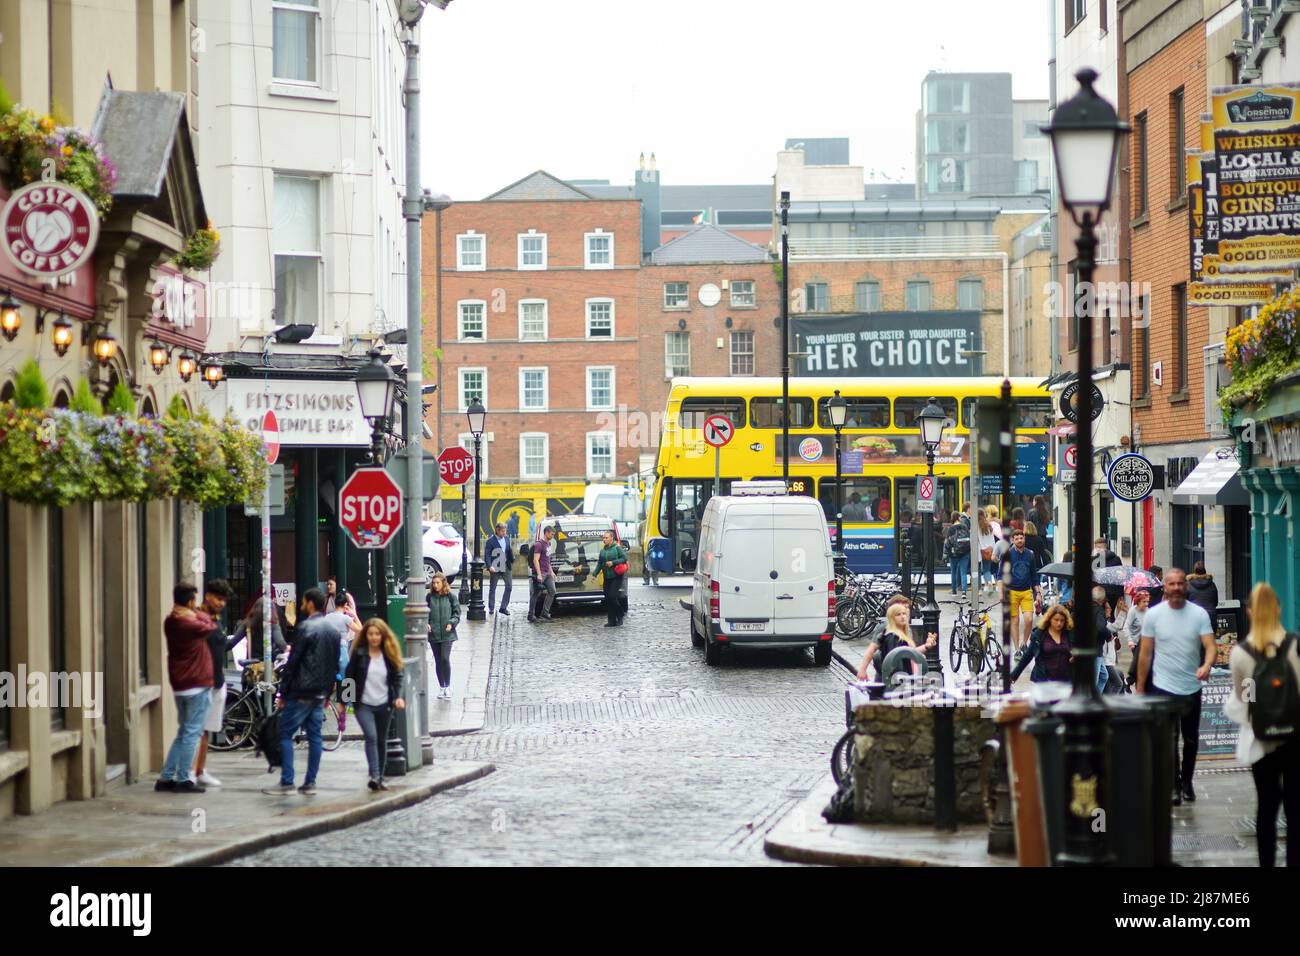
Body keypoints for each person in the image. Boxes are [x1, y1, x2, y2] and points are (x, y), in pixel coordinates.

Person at [1226, 583, 1300, 867]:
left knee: (1266, 808)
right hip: (1295, 738)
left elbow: (1246, 701)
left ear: (1249, 612)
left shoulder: (1241, 654)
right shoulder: (1295, 645)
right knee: (1295, 809)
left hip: (1262, 739)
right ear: (1278, 609)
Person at [1137, 568, 1217, 806]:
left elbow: (1210, 646)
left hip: (1191, 686)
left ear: (1186, 586)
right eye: (1171, 584)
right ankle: (1173, 784)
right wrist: (1140, 688)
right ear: (1165, 587)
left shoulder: (1199, 614)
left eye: (1180, 583)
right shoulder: (1154, 615)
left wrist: (1207, 665)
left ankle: (1188, 781)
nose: (1176, 588)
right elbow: (1145, 654)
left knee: (1191, 739)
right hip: (1163, 686)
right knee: (1169, 739)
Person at [265, 588, 337, 796]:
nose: (302, 605)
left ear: (310, 603)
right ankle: (310, 782)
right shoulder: (332, 631)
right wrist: (327, 692)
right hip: (319, 693)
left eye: (304, 602)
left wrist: (283, 693)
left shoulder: (305, 627)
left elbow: (293, 662)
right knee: (315, 737)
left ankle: (287, 781)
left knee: (285, 733)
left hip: (301, 691)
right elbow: (333, 665)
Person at [157, 583, 218, 793]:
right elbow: (211, 625)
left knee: (183, 732)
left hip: (180, 685)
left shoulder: (170, 620)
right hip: (197, 684)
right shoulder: (190, 623)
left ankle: (166, 777)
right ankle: (183, 778)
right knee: (192, 733)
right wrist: (196, 612)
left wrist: (190, 611)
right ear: (191, 602)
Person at [344, 618, 405, 791]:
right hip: (363, 704)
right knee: (371, 736)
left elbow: (397, 677)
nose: (374, 637)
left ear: (383, 635)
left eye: (377, 634)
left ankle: (379, 776)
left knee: (381, 740)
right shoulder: (359, 654)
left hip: (384, 704)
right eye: (370, 634)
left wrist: (398, 697)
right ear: (366, 635)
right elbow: (349, 676)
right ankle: (375, 776)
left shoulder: (388, 654)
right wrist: (343, 702)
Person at [193, 579, 235, 788]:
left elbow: (222, 647)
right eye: (218, 598)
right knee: (197, 730)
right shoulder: (198, 620)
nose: (221, 603)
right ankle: (191, 771)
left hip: (217, 682)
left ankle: (200, 770)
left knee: (206, 730)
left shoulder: (214, 620)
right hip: (203, 683)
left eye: (224, 600)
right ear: (208, 595)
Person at [855, 601, 937, 683]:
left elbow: (909, 652)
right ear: (892, 617)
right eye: (898, 614)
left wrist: (926, 646)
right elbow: (896, 660)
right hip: (897, 681)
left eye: (904, 613)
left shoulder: (905, 632)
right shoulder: (892, 636)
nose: (903, 616)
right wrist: (862, 670)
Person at [1011, 604, 1074, 684]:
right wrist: (1013, 676)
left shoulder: (1069, 634)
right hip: (1043, 681)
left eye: (1062, 620)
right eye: (1056, 620)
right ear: (1049, 619)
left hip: (1065, 681)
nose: (1059, 623)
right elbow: (1027, 656)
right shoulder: (1039, 634)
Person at [1003, 529, 1041, 656]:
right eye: (1017, 538)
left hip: (1026, 591)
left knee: (1029, 620)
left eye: (1021, 538)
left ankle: (1024, 643)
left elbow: (1034, 575)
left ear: (1024, 538)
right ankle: (1017, 649)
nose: (1020, 540)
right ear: (1013, 540)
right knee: (1014, 621)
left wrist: (1038, 593)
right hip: (1012, 592)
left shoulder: (1030, 554)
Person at [427, 572, 460, 699]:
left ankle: (448, 686)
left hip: (447, 634)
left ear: (443, 583)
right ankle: (442, 687)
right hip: (434, 633)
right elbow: (425, 613)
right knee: (437, 660)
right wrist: (427, 623)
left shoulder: (451, 596)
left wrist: (451, 623)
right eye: (434, 583)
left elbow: (457, 613)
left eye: (438, 583)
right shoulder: (429, 597)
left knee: (444, 658)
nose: (435, 585)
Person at [596, 529, 628, 626]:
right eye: (603, 538)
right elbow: (600, 563)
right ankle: (611, 621)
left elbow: (624, 558)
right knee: (607, 599)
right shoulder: (602, 551)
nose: (604, 539)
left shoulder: (617, 548)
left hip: (616, 576)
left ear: (611, 538)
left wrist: (613, 563)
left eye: (606, 538)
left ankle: (620, 614)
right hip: (607, 577)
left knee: (612, 597)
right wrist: (594, 574)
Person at [1121, 585, 1150, 689]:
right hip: (1135, 643)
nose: (1146, 604)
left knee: (1143, 665)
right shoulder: (1133, 611)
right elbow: (1126, 626)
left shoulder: (1148, 610)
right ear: (1138, 601)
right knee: (1140, 664)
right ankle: (1131, 682)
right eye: (1144, 602)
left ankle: (1129, 682)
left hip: (1146, 642)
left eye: (1147, 602)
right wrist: (1130, 641)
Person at [484, 522, 515, 615]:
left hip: (506, 566)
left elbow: (509, 550)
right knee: (493, 588)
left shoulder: (507, 538)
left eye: (505, 531)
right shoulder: (490, 541)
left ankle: (503, 607)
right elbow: (487, 555)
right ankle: (491, 608)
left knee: (509, 587)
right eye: (502, 531)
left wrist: (512, 558)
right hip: (495, 566)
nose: (504, 533)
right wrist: (489, 566)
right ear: (497, 531)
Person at [530, 524, 557, 622]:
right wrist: (538, 574)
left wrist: (551, 571)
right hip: (540, 573)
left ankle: (544, 613)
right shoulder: (539, 544)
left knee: (552, 591)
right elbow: (535, 560)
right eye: (552, 534)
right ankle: (531, 615)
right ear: (546, 533)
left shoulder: (549, 544)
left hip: (547, 573)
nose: (553, 536)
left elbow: (547, 560)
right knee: (535, 594)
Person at [945, 509, 971, 595]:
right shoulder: (964, 527)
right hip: (965, 553)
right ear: (959, 518)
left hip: (954, 553)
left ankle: (954, 591)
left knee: (953, 572)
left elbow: (947, 542)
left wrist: (947, 553)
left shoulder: (950, 529)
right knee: (963, 572)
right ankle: (964, 592)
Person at [976, 508, 997, 594]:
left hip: (980, 551)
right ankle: (989, 582)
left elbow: (977, 539)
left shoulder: (976, 526)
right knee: (987, 570)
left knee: (977, 571)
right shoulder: (989, 526)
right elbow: (992, 539)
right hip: (989, 551)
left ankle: (979, 590)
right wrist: (993, 550)